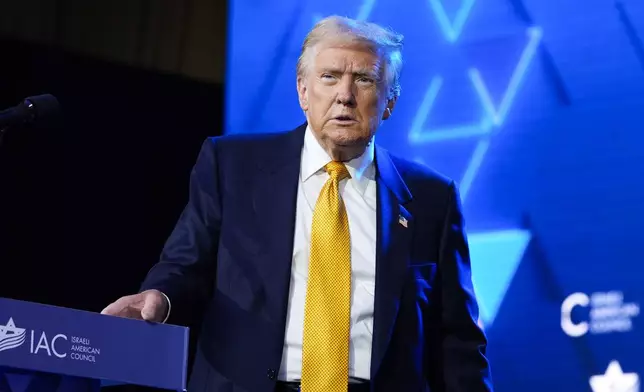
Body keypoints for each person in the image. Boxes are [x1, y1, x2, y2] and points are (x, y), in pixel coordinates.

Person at [102, 15, 493, 392]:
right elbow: (186, 264)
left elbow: (456, 339)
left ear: (389, 101)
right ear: (303, 91)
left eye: (364, 79)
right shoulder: (232, 166)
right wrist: (161, 297)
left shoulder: (431, 198)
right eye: (329, 77)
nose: (345, 95)